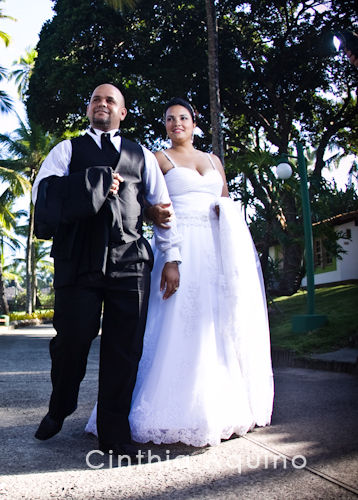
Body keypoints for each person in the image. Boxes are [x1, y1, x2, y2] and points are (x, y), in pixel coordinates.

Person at [85, 97, 274, 446]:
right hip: (178, 247)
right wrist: (160, 232)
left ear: (194, 121)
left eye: (183, 118)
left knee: (213, 324)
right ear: (165, 126)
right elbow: (138, 200)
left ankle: (215, 407)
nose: (176, 124)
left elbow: (226, 201)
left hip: (214, 251)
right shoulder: (158, 158)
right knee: (172, 322)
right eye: (170, 119)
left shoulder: (213, 160)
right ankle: (157, 409)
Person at [31, 83, 181, 460]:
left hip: (129, 260)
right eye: (96, 98)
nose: (102, 104)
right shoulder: (66, 150)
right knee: (72, 341)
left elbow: (160, 207)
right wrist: (93, 182)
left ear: (122, 112)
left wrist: (173, 258)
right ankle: (60, 405)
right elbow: (43, 195)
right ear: (88, 109)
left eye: (110, 100)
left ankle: (115, 433)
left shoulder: (141, 155)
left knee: (124, 350)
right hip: (78, 259)